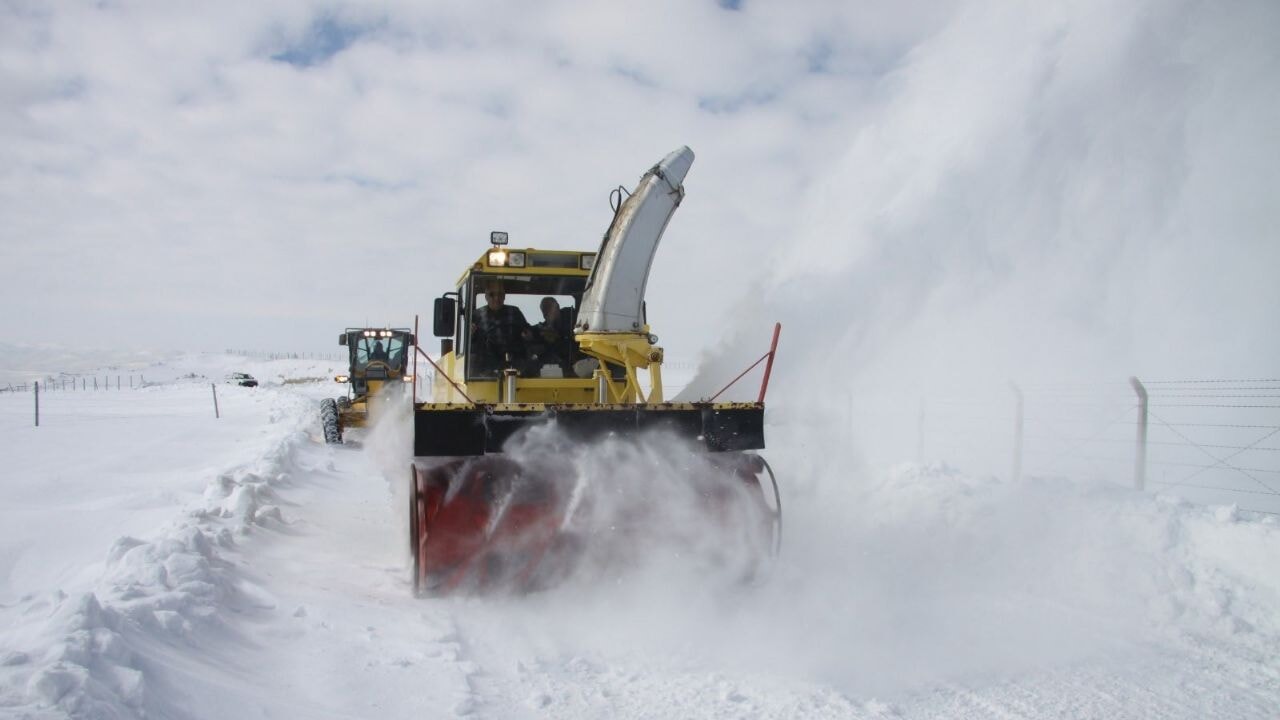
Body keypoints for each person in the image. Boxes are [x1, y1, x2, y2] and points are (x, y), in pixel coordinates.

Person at [470, 283, 531, 376]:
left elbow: (527, 332)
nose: (496, 298)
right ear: (486, 297)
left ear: (504, 296)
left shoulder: (514, 312)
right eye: (492, 294)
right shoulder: (476, 316)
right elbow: (469, 343)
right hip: (486, 369)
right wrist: (471, 334)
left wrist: (528, 335)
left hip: (515, 365)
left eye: (500, 294)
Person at [528, 297, 576, 376]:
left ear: (557, 307)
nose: (546, 314)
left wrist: (557, 338)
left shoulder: (571, 316)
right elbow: (531, 331)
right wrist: (529, 335)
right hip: (549, 371)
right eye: (544, 311)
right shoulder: (542, 329)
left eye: (548, 309)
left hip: (575, 369)